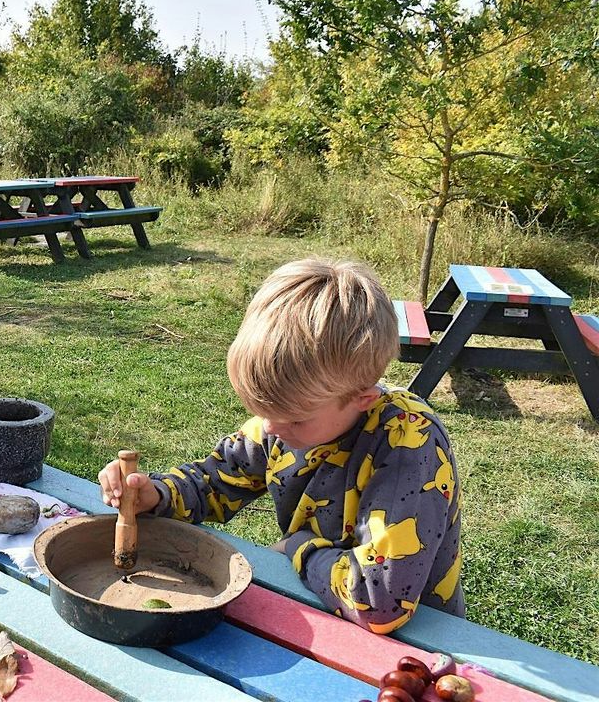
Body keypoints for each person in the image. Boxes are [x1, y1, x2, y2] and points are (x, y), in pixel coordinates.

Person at [98, 258, 463, 634]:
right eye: (262, 410)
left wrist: (298, 546)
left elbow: (378, 600)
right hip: (316, 607)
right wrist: (156, 495)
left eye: (293, 418)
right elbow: (213, 482)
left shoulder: (408, 444)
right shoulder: (281, 423)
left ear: (362, 399)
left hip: (417, 643)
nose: (270, 428)